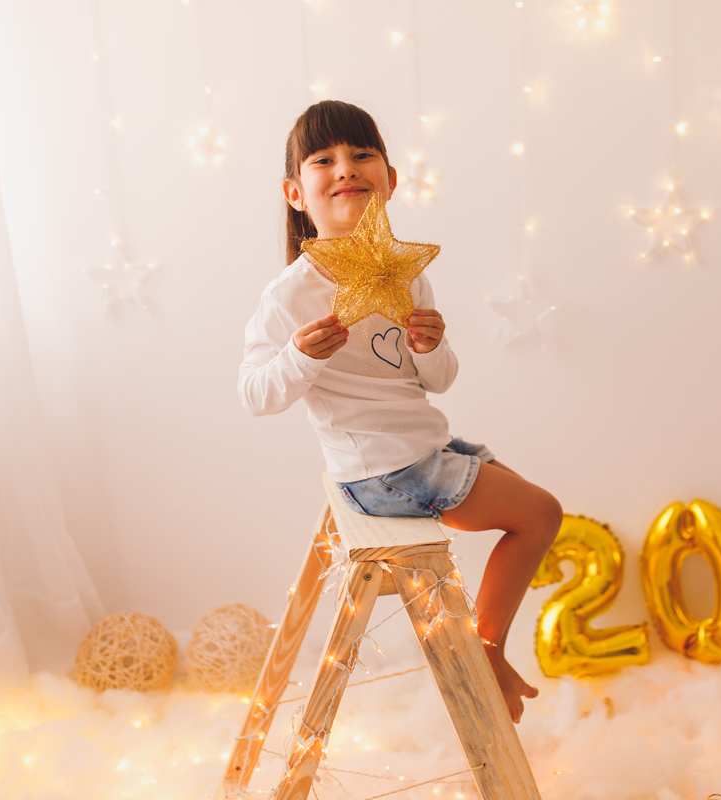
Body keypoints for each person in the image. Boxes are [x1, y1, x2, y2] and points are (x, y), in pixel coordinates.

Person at [238, 100, 562, 723]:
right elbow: (256, 394)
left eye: (363, 155)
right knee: (541, 512)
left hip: (424, 449)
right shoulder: (291, 294)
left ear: (390, 178)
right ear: (295, 191)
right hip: (387, 472)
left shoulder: (404, 273)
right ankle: (485, 655)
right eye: (323, 159)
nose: (346, 169)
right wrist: (300, 358)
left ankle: (485, 644)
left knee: (525, 502)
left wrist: (431, 344)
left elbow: (438, 382)